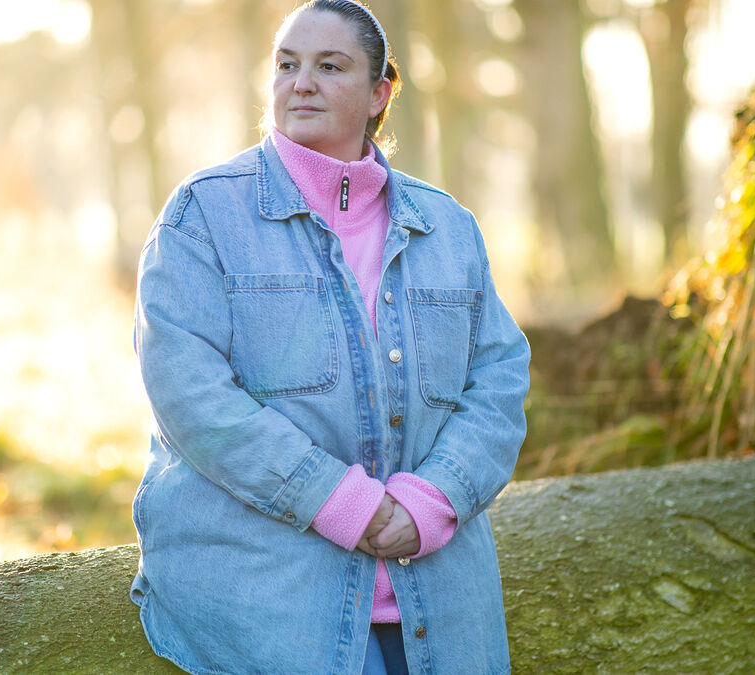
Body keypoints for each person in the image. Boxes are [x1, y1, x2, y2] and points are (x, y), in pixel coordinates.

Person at [128, 1, 530, 673]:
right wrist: (339, 501)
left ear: (379, 94)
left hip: (441, 600)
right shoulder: (203, 215)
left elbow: (499, 379)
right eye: (287, 65)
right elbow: (190, 392)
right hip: (270, 599)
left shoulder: (449, 227)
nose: (302, 83)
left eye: (330, 67)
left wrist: (432, 502)